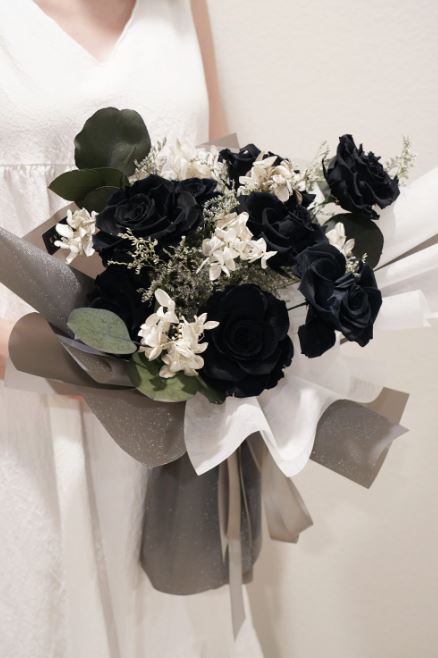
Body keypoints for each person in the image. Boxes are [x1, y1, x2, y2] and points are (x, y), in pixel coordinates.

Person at [0, 2, 263, 656]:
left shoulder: (185, 8)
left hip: (168, 414)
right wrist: (31, 353)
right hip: (21, 405)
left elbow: (220, 177)